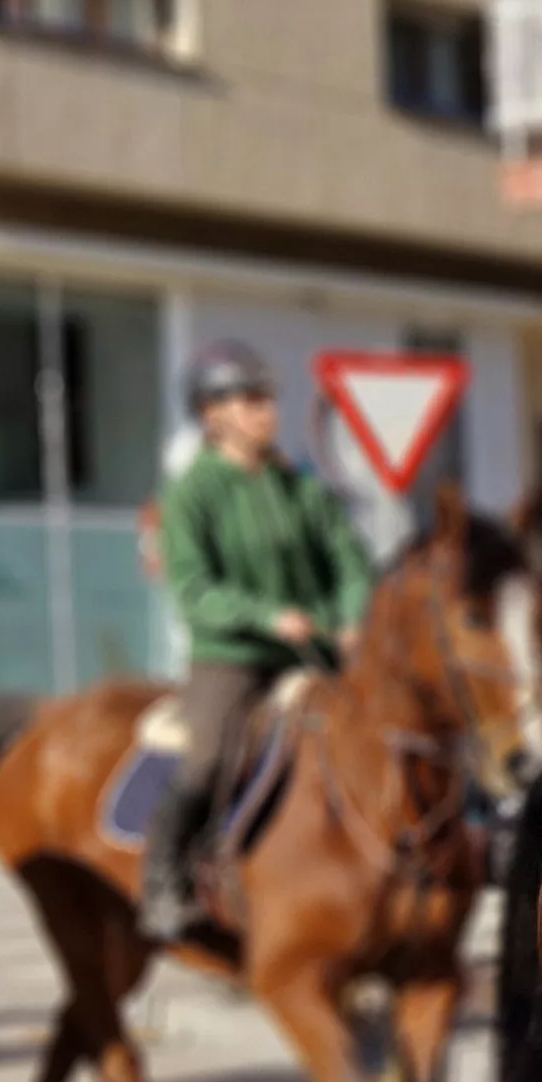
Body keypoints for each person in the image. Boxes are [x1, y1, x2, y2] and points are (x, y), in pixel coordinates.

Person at [138, 340, 375, 942]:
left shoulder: (299, 485)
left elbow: (348, 560)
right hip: (232, 660)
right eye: (249, 399)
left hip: (316, 655)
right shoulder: (191, 493)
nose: (266, 409)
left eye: (268, 397)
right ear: (211, 414)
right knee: (209, 757)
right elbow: (192, 589)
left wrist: (350, 618)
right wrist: (268, 617)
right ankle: (164, 878)